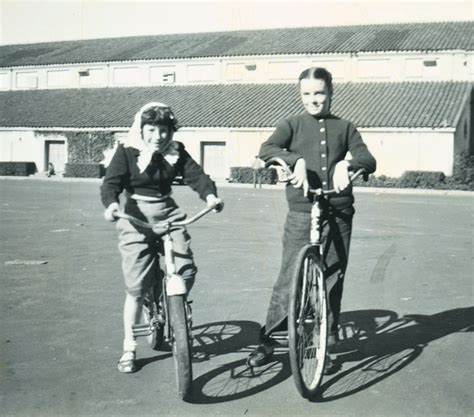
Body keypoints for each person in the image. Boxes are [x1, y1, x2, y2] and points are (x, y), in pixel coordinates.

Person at [247, 67, 376, 373]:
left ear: (330, 93)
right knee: (289, 275)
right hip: (302, 211)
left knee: (331, 276)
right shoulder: (291, 124)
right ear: (300, 94)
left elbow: (367, 158)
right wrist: (295, 161)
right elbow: (267, 149)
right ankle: (269, 339)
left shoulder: (345, 127)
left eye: (319, 93)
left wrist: (349, 164)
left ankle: (325, 343)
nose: (313, 100)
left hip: (339, 212)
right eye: (307, 94)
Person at [100, 102, 223, 373]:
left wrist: (210, 196)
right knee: (136, 287)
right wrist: (111, 205)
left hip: (168, 211)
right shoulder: (127, 151)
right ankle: (129, 346)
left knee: (186, 269)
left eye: (164, 130)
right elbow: (111, 183)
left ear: (171, 131)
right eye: (152, 129)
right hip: (135, 215)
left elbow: (197, 176)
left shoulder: (176, 152)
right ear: (141, 129)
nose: (158, 136)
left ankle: (174, 308)